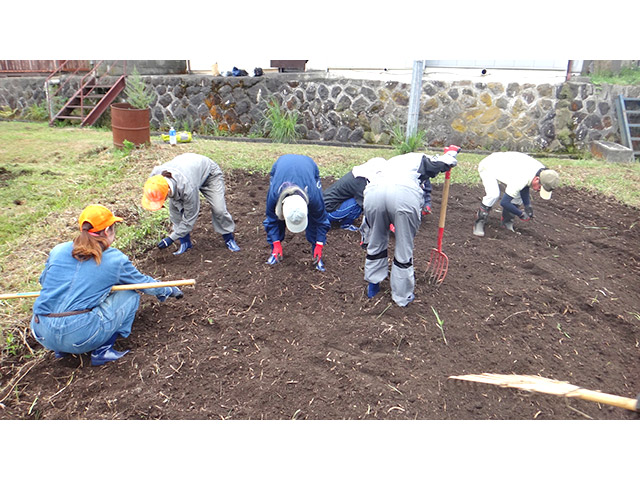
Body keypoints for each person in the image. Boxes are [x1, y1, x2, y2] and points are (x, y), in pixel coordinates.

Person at [30, 205, 184, 366]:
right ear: (107, 231)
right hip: (79, 337)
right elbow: (144, 283)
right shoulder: (114, 259)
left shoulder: (58, 250)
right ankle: (103, 350)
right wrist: (168, 289)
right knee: (130, 294)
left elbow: (44, 281)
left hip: (42, 332)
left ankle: (61, 351)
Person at [363, 146, 460, 307]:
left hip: (373, 193)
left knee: (377, 239)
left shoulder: (390, 163)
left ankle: (373, 285)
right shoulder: (419, 158)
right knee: (403, 246)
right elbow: (444, 163)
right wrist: (452, 153)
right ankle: (402, 297)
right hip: (404, 195)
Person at [141, 152, 240, 255]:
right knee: (175, 213)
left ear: (168, 190)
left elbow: (189, 219)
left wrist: (171, 238)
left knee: (219, 210)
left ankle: (229, 238)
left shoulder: (188, 188)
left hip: (209, 174)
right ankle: (185, 243)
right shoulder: (155, 178)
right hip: (187, 170)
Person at [263, 154, 331, 272]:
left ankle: (316, 255)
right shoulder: (274, 195)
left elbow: (321, 221)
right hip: (281, 164)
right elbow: (271, 220)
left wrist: (319, 245)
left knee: (315, 221)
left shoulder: (314, 197)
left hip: (308, 165)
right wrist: (276, 242)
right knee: (275, 218)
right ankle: (275, 251)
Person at [472, 152, 560, 237]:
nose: (538, 190)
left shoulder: (543, 173)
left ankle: (507, 222)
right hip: (489, 166)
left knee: (518, 197)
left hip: (509, 168)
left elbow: (525, 187)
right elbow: (504, 202)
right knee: (493, 194)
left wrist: (527, 206)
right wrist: (520, 214)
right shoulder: (521, 178)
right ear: (537, 179)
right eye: (540, 188)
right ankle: (480, 221)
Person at [322, 157, 387, 231]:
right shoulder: (360, 181)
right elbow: (368, 204)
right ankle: (345, 225)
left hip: (324, 208)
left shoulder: (357, 174)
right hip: (328, 212)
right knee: (359, 203)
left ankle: (341, 218)